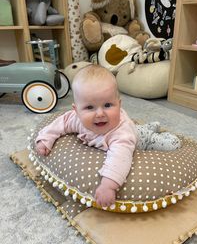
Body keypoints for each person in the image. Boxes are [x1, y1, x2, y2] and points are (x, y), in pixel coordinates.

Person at [35, 65, 181, 207]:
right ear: (76, 110)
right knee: (138, 128)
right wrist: (46, 139)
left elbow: (120, 158)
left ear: (119, 104)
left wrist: (108, 186)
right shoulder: (76, 119)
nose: (99, 114)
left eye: (107, 105)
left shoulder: (120, 134)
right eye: (90, 107)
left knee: (169, 144)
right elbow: (60, 123)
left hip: (140, 140)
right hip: (133, 128)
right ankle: (148, 126)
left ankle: (151, 132)